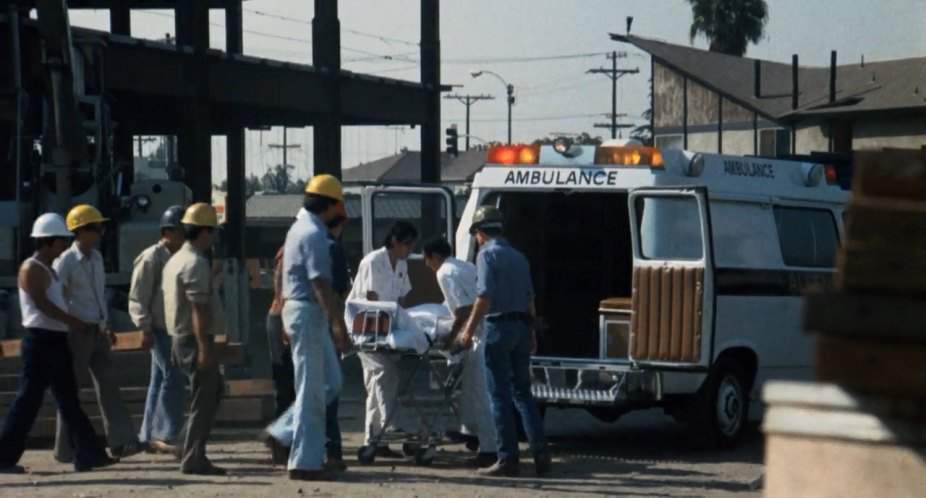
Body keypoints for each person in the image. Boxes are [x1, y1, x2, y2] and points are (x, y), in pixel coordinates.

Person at [0, 214, 117, 473]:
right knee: (29, 401)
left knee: (68, 399)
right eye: (61, 240)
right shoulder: (32, 268)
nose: (64, 245)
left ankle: (89, 454)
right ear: (48, 241)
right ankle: (4, 456)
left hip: (54, 340)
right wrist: (74, 322)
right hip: (41, 341)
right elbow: (43, 305)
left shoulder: (49, 268)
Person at [454, 206, 552, 477]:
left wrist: (467, 331)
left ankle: (508, 458)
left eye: (476, 235)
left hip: (499, 327)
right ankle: (541, 455)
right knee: (523, 394)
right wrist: (531, 332)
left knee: (498, 395)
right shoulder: (519, 257)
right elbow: (530, 297)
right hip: (522, 328)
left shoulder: (487, 255)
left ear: (480, 232)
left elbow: (484, 296)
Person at [265, 174, 350, 481]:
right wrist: (337, 324)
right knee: (313, 389)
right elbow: (320, 283)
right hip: (308, 311)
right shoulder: (313, 234)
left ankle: (283, 430)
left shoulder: (299, 229)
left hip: (301, 311)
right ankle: (305, 463)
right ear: (330, 204)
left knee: (330, 383)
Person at [53, 204, 143, 463]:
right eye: (96, 228)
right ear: (80, 231)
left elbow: (98, 296)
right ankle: (65, 449)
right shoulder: (65, 262)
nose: (100, 232)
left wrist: (105, 325)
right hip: (76, 332)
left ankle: (121, 442)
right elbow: (58, 297)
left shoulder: (97, 259)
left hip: (97, 330)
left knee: (108, 384)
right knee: (70, 390)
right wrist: (69, 326)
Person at [161, 202, 226, 475]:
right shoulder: (195, 263)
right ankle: (192, 457)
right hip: (193, 339)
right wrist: (204, 348)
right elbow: (198, 309)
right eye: (212, 231)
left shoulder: (176, 260)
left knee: (212, 392)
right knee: (204, 399)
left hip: (180, 338)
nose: (214, 237)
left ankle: (185, 447)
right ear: (204, 231)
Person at [422, 237, 498, 469]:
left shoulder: (444, 272)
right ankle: (472, 434)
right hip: (487, 331)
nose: (426, 265)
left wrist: (450, 339)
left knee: (480, 394)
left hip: (478, 335)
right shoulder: (466, 266)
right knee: (471, 391)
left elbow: (463, 311)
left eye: (427, 259)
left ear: (434, 256)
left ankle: (489, 450)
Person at [347, 221, 417, 458]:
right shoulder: (373, 261)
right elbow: (371, 298)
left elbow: (402, 298)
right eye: (407, 244)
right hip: (367, 328)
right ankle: (386, 429)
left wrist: (403, 327)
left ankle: (375, 439)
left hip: (388, 330)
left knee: (379, 380)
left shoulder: (402, 264)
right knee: (382, 375)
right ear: (395, 241)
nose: (410, 249)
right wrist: (386, 331)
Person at [130, 205, 187, 455]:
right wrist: (144, 328)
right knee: (173, 377)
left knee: (159, 380)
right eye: (181, 230)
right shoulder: (151, 258)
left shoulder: (181, 256)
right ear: (168, 232)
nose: (185, 235)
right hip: (159, 329)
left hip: (174, 328)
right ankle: (167, 433)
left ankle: (148, 435)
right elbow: (138, 297)